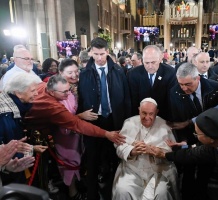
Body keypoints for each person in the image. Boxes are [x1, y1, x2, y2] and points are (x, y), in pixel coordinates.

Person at [77, 37, 131, 200]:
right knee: (92, 159)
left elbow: (126, 98)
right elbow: (81, 99)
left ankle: (114, 193)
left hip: (114, 120)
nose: (99, 57)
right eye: (96, 54)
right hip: (94, 120)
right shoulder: (85, 73)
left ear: (107, 52)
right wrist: (82, 116)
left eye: (102, 53)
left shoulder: (118, 70)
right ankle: (92, 195)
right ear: (91, 53)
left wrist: (126, 123)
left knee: (115, 158)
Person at [168, 62, 218, 200]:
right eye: (181, 84)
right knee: (188, 171)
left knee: (205, 172)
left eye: (188, 84)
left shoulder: (215, 88)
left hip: (210, 138)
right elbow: (177, 121)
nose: (184, 88)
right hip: (188, 138)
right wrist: (183, 141)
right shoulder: (174, 92)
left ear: (197, 78)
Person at [112, 98, 179, 200]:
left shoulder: (165, 125)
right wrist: (131, 151)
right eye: (144, 113)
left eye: (151, 114)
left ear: (156, 112)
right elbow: (119, 147)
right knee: (123, 190)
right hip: (132, 169)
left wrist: (154, 151)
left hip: (158, 170)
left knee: (162, 192)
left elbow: (171, 152)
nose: (147, 117)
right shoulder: (129, 122)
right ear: (139, 110)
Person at [55, 59, 97, 200]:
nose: (74, 75)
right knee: (69, 162)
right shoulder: (58, 91)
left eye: (76, 71)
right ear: (60, 73)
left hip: (79, 130)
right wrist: (81, 116)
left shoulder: (78, 86)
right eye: (69, 72)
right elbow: (61, 118)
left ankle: (78, 186)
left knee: (79, 159)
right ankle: (73, 194)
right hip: (66, 134)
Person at [0, 72, 46, 185]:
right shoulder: (5, 114)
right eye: (32, 91)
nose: (36, 94)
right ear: (18, 93)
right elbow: (10, 144)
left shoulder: (15, 104)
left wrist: (31, 148)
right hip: (9, 172)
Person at [127, 45, 176, 121]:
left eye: (153, 62)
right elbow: (133, 101)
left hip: (163, 119)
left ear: (160, 59)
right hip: (140, 118)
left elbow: (171, 102)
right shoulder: (133, 74)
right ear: (142, 60)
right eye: (146, 63)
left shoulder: (170, 73)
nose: (150, 66)